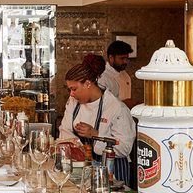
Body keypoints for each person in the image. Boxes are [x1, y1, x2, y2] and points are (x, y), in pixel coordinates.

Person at [57, 54, 136, 182]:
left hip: (113, 173)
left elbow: (125, 147)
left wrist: (95, 134)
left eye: (74, 89)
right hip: (81, 171)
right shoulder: (73, 101)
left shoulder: (116, 108)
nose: (71, 93)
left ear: (88, 83)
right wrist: (79, 149)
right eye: (69, 89)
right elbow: (65, 130)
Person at [98, 40, 135, 106]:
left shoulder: (125, 75)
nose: (125, 62)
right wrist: (124, 104)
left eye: (126, 58)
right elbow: (101, 104)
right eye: (122, 58)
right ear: (111, 58)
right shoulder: (102, 77)